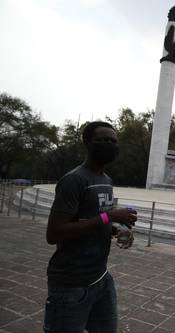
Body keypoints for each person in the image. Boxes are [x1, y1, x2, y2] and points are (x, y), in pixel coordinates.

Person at [44, 121, 137, 333]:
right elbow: (55, 233)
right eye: (102, 140)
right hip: (71, 283)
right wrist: (109, 216)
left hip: (101, 276)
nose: (109, 144)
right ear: (87, 143)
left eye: (113, 141)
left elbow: (91, 220)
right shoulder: (74, 180)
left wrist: (116, 230)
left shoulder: (106, 180)